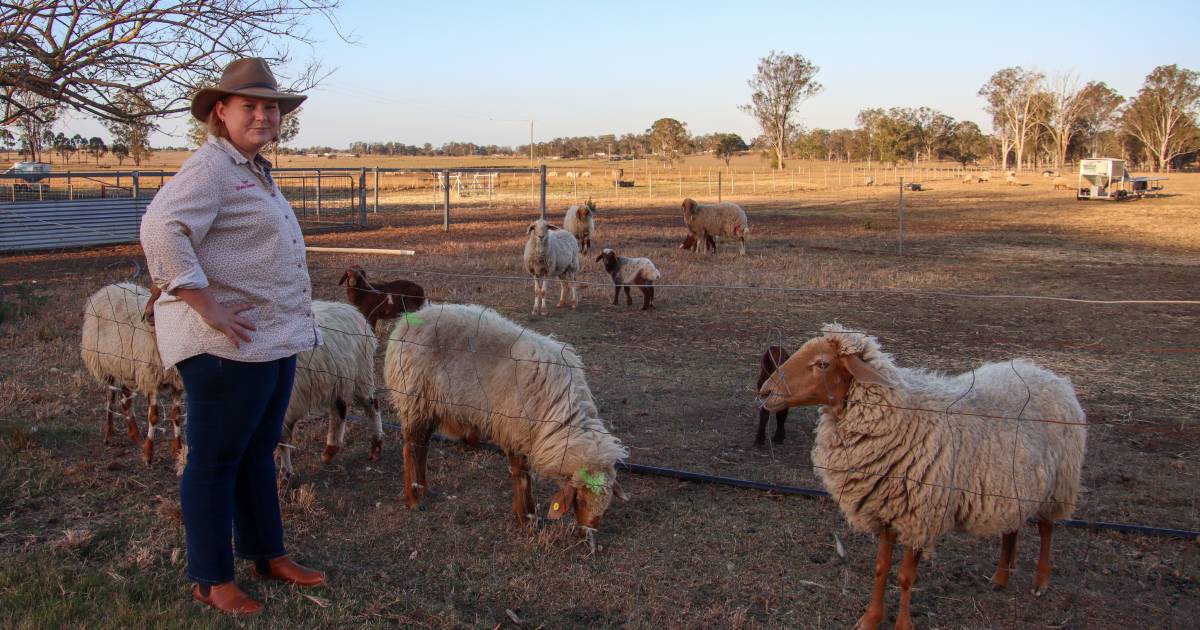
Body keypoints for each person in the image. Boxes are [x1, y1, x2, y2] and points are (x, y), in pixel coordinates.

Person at [140, 57, 325, 616]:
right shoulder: (213, 167)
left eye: (271, 107)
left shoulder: (251, 167)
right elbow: (161, 227)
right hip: (224, 347)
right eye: (252, 106)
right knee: (216, 460)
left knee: (256, 454)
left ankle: (267, 553)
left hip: (268, 338)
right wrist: (204, 302)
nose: (265, 116)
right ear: (221, 111)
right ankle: (212, 578)